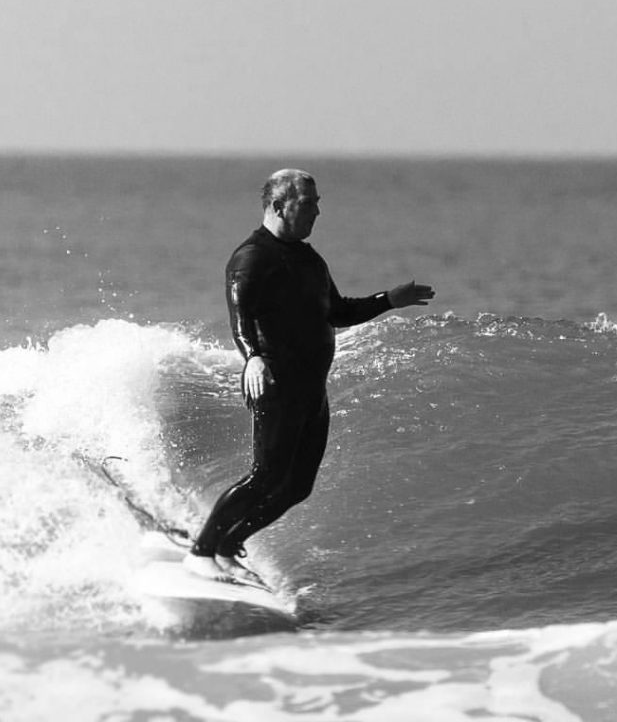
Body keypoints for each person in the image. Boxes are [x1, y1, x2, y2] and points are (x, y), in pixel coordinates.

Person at [184, 167, 435, 584]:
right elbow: (240, 317)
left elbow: (337, 312)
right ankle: (202, 550)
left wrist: (389, 300)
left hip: (311, 391)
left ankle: (229, 545)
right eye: (308, 204)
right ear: (280, 206)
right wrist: (253, 358)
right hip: (276, 385)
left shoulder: (309, 259)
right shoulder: (251, 258)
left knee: (297, 486)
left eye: (318, 203)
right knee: (264, 477)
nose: (317, 212)